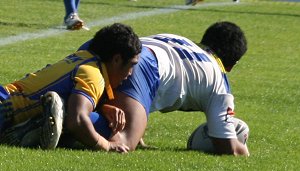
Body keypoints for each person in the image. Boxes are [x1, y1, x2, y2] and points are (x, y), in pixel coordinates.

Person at [86, 21, 249, 156]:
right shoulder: (219, 82)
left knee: (76, 96)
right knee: (123, 142)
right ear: (231, 65)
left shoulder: (179, 40)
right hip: (140, 64)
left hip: (110, 46)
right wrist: (244, 151)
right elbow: (228, 147)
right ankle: (66, 120)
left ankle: (68, 111)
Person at [0, 23, 142, 153]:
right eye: (131, 65)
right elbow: (78, 120)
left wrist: (102, 108)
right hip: (5, 108)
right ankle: (31, 127)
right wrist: (106, 145)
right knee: (95, 123)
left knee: (80, 114)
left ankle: (29, 127)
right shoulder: (94, 74)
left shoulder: (83, 57)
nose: (130, 73)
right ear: (116, 59)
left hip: (6, 102)